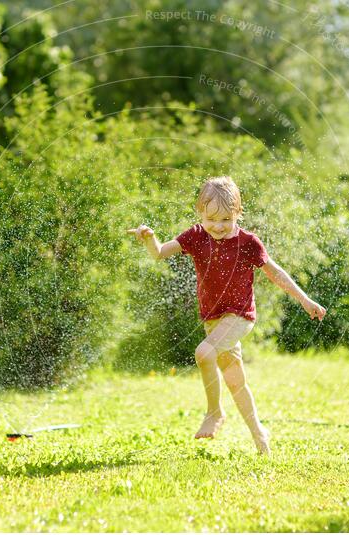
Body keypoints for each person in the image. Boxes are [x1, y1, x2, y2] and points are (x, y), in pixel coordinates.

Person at [127, 176, 326, 454]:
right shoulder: (195, 236)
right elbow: (160, 253)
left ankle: (214, 413)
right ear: (200, 214)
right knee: (236, 382)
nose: (218, 227)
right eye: (211, 220)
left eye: (225, 220)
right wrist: (149, 239)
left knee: (203, 352)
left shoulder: (247, 242)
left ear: (237, 214)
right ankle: (260, 436)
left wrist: (304, 300)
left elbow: (274, 272)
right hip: (213, 320)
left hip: (240, 316)